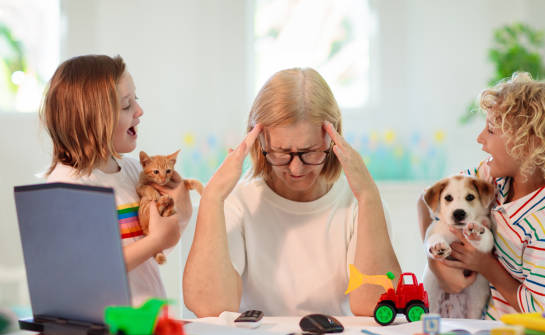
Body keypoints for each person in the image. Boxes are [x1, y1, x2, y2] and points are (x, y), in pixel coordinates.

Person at [184, 67, 401, 317]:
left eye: (309, 152)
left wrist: (368, 197)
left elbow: (373, 305)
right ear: (260, 140)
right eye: (282, 152)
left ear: (332, 138)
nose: (296, 168)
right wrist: (212, 198)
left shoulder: (359, 202)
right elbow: (211, 308)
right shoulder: (239, 202)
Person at [418, 72, 545, 320]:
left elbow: (544, 312)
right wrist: (435, 264)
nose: (480, 138)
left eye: (491, 130)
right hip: (469, 331)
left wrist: (486, 266)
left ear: (530, 143)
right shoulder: (490, 177)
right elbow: (424, 200)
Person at [42, 54, 193, 305]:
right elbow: (90, 270)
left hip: (148, 321)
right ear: (91, 120)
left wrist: (180, 213)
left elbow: (152, 251)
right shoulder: (68, 186)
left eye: (137, 100)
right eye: (126, 105)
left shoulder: (134, 172)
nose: (139, 111)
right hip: (108, 331)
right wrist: (157, 239)